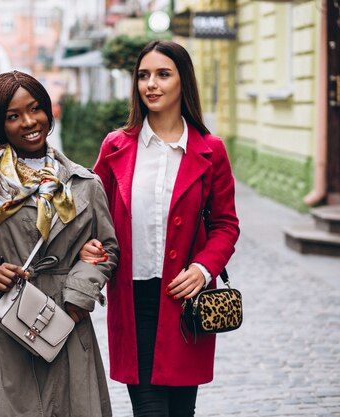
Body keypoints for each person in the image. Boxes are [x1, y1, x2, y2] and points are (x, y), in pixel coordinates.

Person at [0, 70, 119, 417]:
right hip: (2, 327)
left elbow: (107, 249)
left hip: (65, 326)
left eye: (36, 109)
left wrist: (78, 295)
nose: (29, 122)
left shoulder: (84, 183)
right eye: (13, 116)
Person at [81, 40, 240, 416]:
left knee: (182, 411)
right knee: (150, 410)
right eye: (143, 76)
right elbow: (92, 214)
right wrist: (90, 246)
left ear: (183, 81)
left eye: (163, 75)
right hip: (133, 301)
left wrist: (204, 268)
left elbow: (226, 225)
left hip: (186, 303)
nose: (151, 84)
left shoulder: (209, 150)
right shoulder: (116, 146)